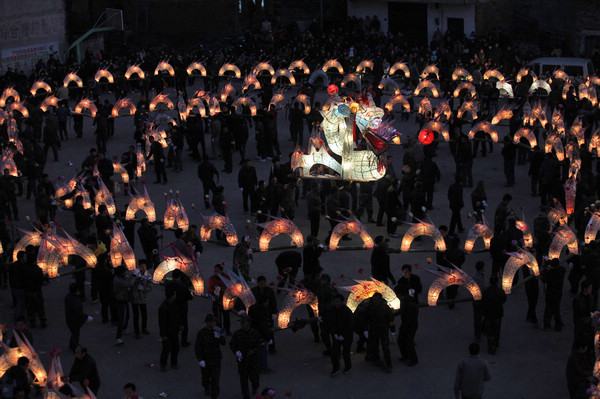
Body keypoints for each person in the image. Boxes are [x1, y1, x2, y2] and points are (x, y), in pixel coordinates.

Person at [394, 264, 422, 366]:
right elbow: (398, 290)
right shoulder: (401, 282)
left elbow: (419, 288)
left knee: (408, 340)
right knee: (401, 339)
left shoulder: (415, 279)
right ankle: (405, 355)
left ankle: (413, 359)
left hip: (412, 313)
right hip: (405, 315)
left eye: (407, 271)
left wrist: (414, 291)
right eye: (404, 272)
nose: (405, 273)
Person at [230, 316, 262, 399]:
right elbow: (232, 344)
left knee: (254, 378)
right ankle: (246, 394)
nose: (243, 325)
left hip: (253, 360)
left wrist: (254, 351)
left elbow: (261, 344)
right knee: (243, 379)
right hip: (243, 360)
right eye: (242, 323)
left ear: (248, 324)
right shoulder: (237, 334)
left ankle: (255, 386)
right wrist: (236, 352)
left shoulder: (255, 333)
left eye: (244, 323)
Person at [195, 314, 226, 399]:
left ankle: (214, 394)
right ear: (207, 323)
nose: (214, 323)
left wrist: (219, 336)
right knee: (205, 377)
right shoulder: (202, 333)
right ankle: (206, 386)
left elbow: (223, 343)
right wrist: (200, 359)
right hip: (206, 359)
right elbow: (198, 347)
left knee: (215, 378)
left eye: (215, 322)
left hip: (216, 358)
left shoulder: (217, 331)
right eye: (212, 322)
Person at [362, 292, 394, 372]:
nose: (375, 301)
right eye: (374, 299)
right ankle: (376, 359)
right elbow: (365, 319)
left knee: (385, 347)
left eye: (377, 299)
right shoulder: (369, 307)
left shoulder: (385, 308)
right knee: (374, 345)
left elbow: (391, 319)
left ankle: (388, 363)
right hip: (373, 329)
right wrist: (365, 329)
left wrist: (393, 330)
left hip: (383, 329)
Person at [325, 294, 353, 376]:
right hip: (336, 335)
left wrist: (344, 335)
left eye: (338, 302)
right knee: (334, 353)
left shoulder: (347, 311)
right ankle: (336, 368)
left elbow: (350, 325)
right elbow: (331, 323)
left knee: (346, 353)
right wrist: (334, 334)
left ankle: (348, 367)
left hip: (346, 336)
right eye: (335, 302)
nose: (336, 303)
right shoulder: (332, 310)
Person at [168, 269, 193, 347]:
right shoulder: (183, 286)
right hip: (182, 307)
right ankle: (183, 341)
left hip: (172, 306)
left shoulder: (169, 284)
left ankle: (172, 340)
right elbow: (190, 297)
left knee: (173, 323)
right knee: (184, 324)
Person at [482, 276, 506, 355]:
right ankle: (496, 343)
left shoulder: (486, 291)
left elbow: (483, 300)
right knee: (496, 328)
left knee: (490, 329)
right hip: (497, 312)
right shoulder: (500, 291)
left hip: (488, 313)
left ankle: (490, 345)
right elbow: (504, 299)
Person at [64, 283, 92, 351]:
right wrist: (86, 317)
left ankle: (72, 345)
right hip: (74, 320)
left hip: (70, 318)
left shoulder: (68, 297)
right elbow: (78, 312)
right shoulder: (75, 300)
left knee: (74, 332)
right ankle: (75, 347)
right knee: (75, 333)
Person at [158, 287, 181, 371]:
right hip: (167, 331)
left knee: (176, 347)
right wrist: (163, 335)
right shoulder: (163, 308)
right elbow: (162, 323)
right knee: (166, 349)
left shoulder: (174, 304)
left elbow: (177, 316)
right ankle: (163, 364)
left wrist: (180, 325)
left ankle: (173, 362)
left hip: (174, 330)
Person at [542, 258, 566, 331]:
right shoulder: (561, 271)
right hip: (558, 293)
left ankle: (547, 325)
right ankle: (558, 325)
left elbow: (544, 279)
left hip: (550, 293)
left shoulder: (551, 273)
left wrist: (546, 268)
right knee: (556, 309)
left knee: (548, 309)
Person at [207, 264, 230, 335]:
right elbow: (209, 289)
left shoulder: (226, 277)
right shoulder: (212, 278)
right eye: (215, 270)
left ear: (221, 271)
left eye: (218, 270)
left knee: (226, 316)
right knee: (216, 316)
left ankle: (227, 329)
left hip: (225, 300)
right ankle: (218, 329)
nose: (216, 272)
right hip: (216, 300)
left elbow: (230, 288)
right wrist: (213, 292)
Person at [130, 261, 152, 339]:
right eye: (141, 266)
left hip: (143, 298)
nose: (143, 268)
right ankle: (137, 332)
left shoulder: (148, 275)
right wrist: (134, 276)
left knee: (144, 315)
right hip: (135, 297)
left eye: (144, 266)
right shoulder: (135, 274)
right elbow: (130, 284)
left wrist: (144, 289)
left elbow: (150, 287)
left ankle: (144, 328)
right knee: (136, 316)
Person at [113, 265, 132, 345]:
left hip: (124, 299)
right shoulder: (118, 280)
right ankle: (118, 337)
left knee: (127, 315)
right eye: (125, 271)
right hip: (120, 300)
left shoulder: (120, 278)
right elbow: (128, 284)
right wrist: (133, 277)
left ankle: (124, 329)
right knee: (122, 318)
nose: (126, 272)